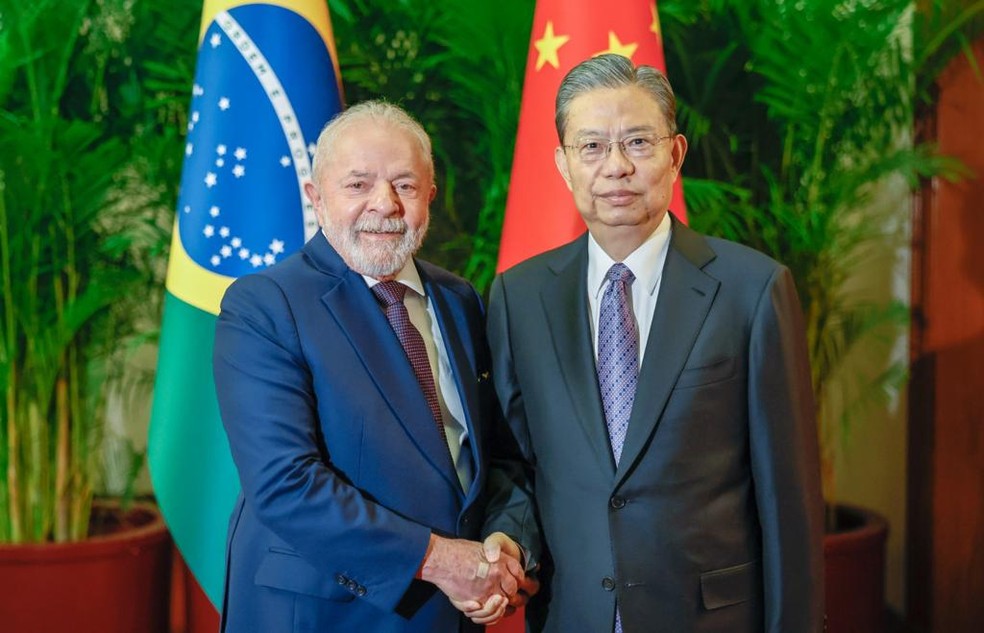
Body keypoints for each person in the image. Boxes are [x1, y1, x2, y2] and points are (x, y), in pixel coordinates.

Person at [482, 54, 824, 632]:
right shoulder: (519, 297)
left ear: (675, 154)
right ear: (563, 165)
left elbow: (789, 499)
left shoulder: (752, 290)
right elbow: (514, 462)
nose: (615, 167)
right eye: (591, 147)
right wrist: (509, 539)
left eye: (638, 142)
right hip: (574, 615)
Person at [213, 100, 537, 633]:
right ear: (317, 199)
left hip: (450, 616)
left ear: (429, 197)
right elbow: (284, 482)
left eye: (405, 186)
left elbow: (498, 455)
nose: (384, 204)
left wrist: (506, 541)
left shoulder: (460, 301)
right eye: (358, 185)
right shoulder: (264, 304)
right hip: (323, 612)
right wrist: (442, 561)